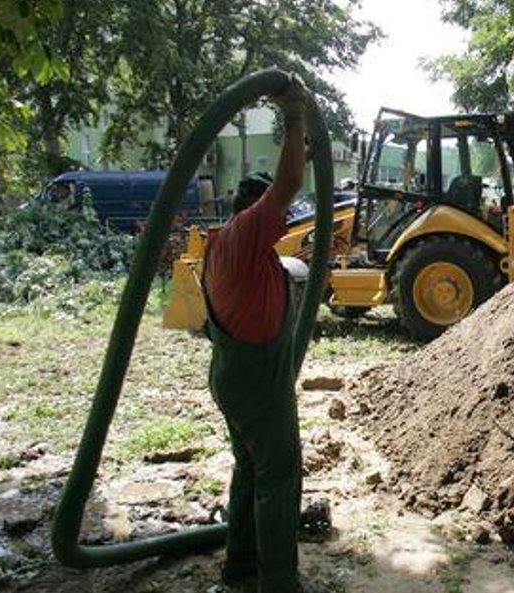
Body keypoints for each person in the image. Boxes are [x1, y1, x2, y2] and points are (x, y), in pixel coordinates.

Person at [202, 76, 309, 593]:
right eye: (277, 214)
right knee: (279, 479)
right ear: (256, 209)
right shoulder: (246, 232)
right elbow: (289, 184)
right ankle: (279, 583)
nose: (282, 219)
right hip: (256, 380)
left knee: (250, 470)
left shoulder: (231, 249)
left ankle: (241, 566)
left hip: (236, 375)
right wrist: (294, 116)